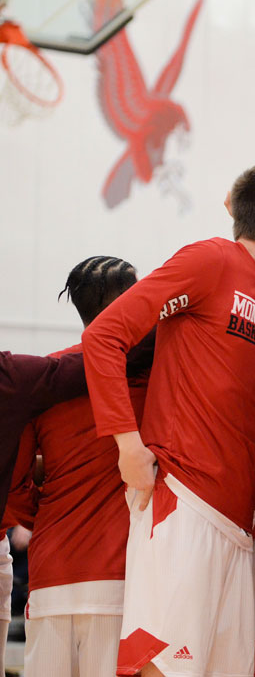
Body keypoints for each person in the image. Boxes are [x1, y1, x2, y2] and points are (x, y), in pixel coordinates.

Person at [82, 164, 255, 677]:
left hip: (238, 521)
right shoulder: (211, 259)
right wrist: (128, 447)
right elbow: (103, 336)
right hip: (182, 502)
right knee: (165, 668)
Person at [6, 256, 142, 677]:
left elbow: (16, 485)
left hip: (49, 575)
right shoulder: (155, 373)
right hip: (120, 574)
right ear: (129, 302)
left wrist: (45, 516)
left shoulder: (44, 377)